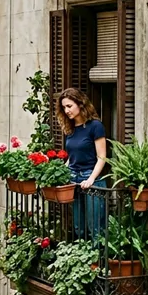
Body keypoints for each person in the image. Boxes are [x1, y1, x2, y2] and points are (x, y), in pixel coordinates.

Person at [57, 88, 107, 239]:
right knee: (79, 227)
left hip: (92, 180)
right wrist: (59, 172)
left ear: (81, 104)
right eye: (64, 107)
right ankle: (83, 260)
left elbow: (102, 157)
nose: (66, 110)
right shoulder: (70, 129)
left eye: (69, 106)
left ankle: (97, 261)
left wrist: (91, 179)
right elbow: (71, 158)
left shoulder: (95, 126)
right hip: (74, 179)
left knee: (95, 227)